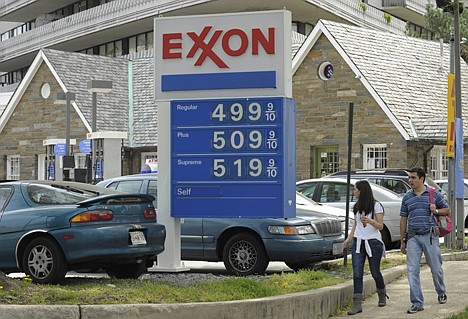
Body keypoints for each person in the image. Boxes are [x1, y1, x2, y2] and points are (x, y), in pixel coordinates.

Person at [399, 167, 449, 314]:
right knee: (412, 271)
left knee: (436, 269)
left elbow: (447, 210)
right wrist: (403, 240)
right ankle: (417, 302)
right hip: (413, 237)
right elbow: (403, 219)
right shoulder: (407, 197)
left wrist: (436, 211)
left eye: (413, 177)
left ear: (421, 179)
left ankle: (441, 292)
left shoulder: (433, 193)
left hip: (430, 236)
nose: (410, 180)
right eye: (410, 178)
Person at [343, 180, 387, 315]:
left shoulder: (376, 206)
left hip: (373, 243)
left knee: (375, 272)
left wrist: (371, 221)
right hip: (358, 242)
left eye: (355, 189)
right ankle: (357, 304)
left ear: (361, 191)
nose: (353, 192)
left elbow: (381, 226)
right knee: (357, 273)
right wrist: (349, 239)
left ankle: (382, 294)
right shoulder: (356, 206)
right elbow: (356, 226)